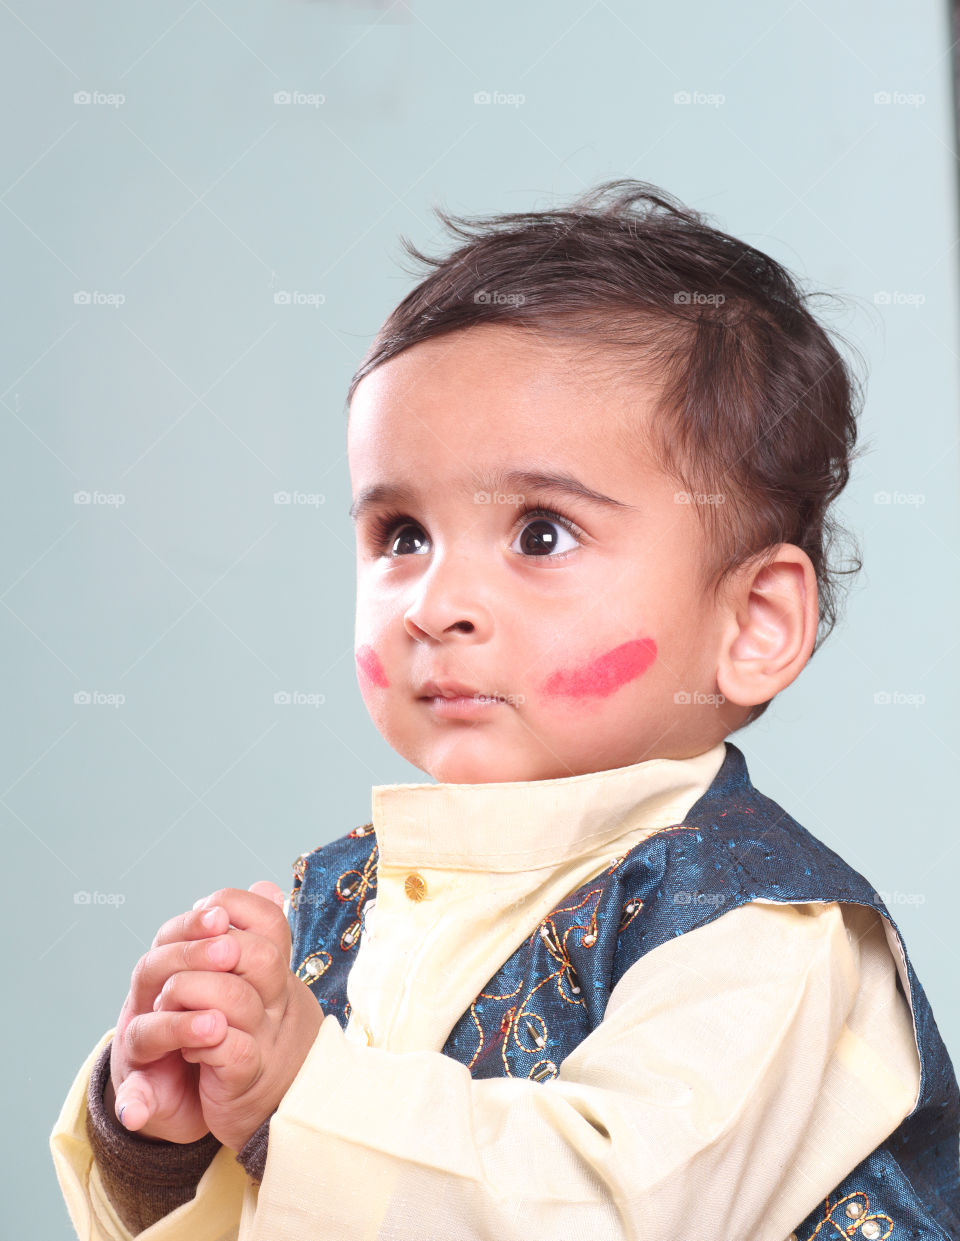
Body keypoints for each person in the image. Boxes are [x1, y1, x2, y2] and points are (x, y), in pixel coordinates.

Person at [50, 180, 960, 1240]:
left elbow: (610, 1208)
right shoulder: (341, 903)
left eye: (539, 533)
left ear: (753, 620)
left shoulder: (766, 929)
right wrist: (164, 1136)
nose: (436, 602)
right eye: (400, 534)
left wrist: (299, 1092)